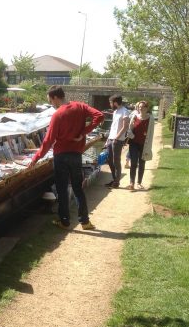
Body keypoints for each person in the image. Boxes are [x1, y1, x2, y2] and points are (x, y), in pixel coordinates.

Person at [28, 86, 104, 231]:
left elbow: (48, 140)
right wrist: (84, 132)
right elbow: (99, 116)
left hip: (61, 156)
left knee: (62, 189)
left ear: (55, 97)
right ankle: (85, 222)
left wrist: (36, 158)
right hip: (76, 155)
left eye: (51, 101)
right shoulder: (80, 106)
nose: (52, 104)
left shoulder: (58, 115)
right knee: (78, 188)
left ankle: (65, 221)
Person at [126, 101, 155, 190]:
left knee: (142, 163)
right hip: (133, 143)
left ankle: (139, 182)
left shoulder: (150, 119)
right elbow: (129, 129)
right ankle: (131, 183)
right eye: (139, 107)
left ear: (146, 108)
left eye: (142, 107)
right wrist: (132, 136)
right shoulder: (134, 117)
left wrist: (149, 147)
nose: (140, 108)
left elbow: (151, 134)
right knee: (133, 163)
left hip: (144, 144)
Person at [105, 94, 131, 188]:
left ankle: (117, 182)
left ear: (115, 102)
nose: (110, 104)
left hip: (118, 140)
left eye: (111, 102)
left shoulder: (125, 112)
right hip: (111, 138)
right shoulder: (115, 111)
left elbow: (125, 127)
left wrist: (116, 138)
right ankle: (114, 179)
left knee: (116, 161)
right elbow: (113, 126)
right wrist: (108, 139)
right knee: (109, 160)